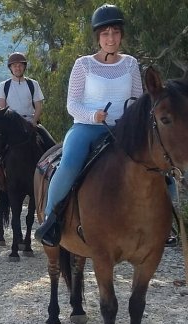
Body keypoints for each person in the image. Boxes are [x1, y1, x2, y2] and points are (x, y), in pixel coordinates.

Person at [35, 4, 143, 247]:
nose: (111, 38)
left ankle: (167, 223)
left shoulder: (130, 64)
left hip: (123, 131)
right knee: (70, 164)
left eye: (115, 32)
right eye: (105, 33)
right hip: (87, 127)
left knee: (158, 165)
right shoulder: (83, 64)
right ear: (98, 37)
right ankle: (50, 221)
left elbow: (138, 99)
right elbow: (72, 104)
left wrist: (130, 120)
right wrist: (93, 115)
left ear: (121, 35)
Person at [0, 52, 52, 189]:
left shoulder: (33, 84)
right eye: (14, 66)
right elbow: (1, 109)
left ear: (24, 67)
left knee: (50, 144)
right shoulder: (4, 86)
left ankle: (53, 171)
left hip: (30, 122)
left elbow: (39, 106)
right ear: (10, 68)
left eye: (20, 65)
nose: (17, 68)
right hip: (11, 126)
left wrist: (34, 120)